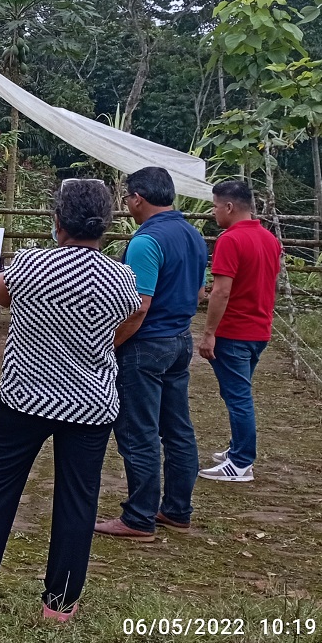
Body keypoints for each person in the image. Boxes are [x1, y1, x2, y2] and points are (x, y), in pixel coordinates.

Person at [0, 179, 140, 622]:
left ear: (58, 221)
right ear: (105, 224)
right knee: (78, 498)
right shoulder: (122, 277)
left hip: (25, 395)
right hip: (91, 402)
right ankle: (60, 602)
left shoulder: (30, 263)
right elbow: (132, 313)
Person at [96, 166, 208, 542]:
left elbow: (138, 306)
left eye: (127, 197)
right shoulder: (193, 235)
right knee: (177, 429)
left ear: (138, 198)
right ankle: (177, 509)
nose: (127, 204)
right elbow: (198, 292)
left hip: (146, 345)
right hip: (180, 341)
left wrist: (110, 343)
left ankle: (139, 517)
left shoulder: (146, 241)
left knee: (138, 431)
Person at [197, 179, 281, 483]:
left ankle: (242, 461)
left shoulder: (230, 240)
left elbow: (221, 291)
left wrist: (209, 332)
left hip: (234, 332)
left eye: (215, 206)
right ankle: (238, 447)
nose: (213, 212)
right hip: (259, 330)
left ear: (229, 207)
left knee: (238, 397)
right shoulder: (269, 239)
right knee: (237, 392)